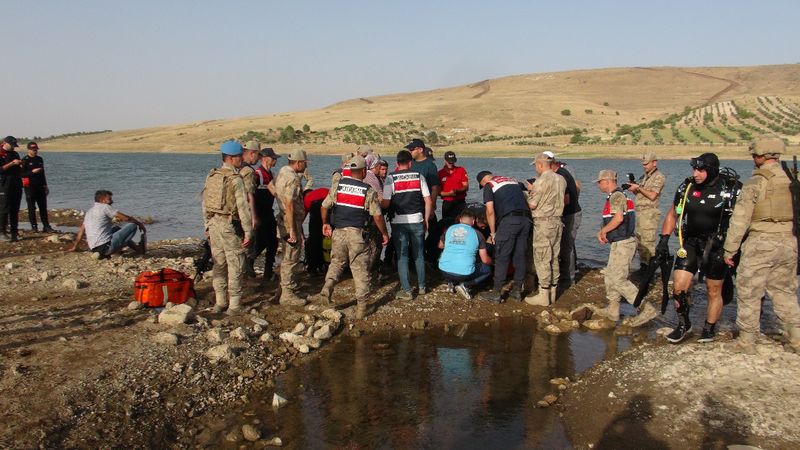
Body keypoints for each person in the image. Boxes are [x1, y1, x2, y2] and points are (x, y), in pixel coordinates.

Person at [723, 137, 800, 354]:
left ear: (759, 157)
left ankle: (747, 340)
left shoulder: (756, 182)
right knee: (784, 290)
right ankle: (795, 337)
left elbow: (740, 219)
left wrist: (730, 249)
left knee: (749, 290)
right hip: (789, 240)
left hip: (762, 240)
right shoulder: (792, 179)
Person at [657, 153, 741, 343]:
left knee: (713, 289)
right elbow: (673, 214)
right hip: (691, 242)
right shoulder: (687, 187)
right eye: (694, 169)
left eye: (701, 170)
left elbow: (742, 220)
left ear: (712, 170)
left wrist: (735, 250)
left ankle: (709, 328)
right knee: (678, 286)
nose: (696, 174)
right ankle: (684, 324)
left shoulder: (730, 188)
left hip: (718, 245)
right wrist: (663, 239)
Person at [310, 156, 389, 318]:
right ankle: (362, 308)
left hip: (338, 232)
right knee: (360, 270)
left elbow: (324, 206)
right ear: (363, 171)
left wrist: (325, 223)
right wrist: (384, 233)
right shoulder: (368, 191)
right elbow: (377, 216)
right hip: (357, 234)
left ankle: (327, 288)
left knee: (337, 263)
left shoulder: (338, 186)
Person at [595, 170, 658, 326]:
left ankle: (645, 308)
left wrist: (603, 230)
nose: (598, 185)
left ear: (607, 181)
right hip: (619, 242)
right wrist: (606, 233)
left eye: (599, 182)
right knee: (610, 275)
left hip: (624, 243)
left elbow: (618, 218)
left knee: (618, 279)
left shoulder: (617, 196)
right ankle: (613, 309)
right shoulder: (618, 195)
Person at [200, 140, 252, 313]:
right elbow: (243, 208)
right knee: (235, 263)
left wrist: (206, 224)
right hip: (229, 225)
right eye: (239, 156)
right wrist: (248, 231)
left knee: (219, 264)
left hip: (214, 223)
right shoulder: (235, 179)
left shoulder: (212, 175)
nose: (242, 159)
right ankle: (235, 305)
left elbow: (204, 202)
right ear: (230, 158)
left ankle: (220, 301)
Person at [381, 149, 432, 299]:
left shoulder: (391, 178)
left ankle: (407, 290)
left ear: (397, 163)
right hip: (417, 220)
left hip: (398, 222)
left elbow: (385, 203)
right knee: (419, 255)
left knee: (402, 256)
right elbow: (428, 201)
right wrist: (426, 219)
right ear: (411, 163)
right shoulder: (419, 176)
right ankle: (422, 287)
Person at [476, 170, 531, 303]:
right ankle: (517, 291)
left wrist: (493, 232)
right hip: (525, 221)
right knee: (520, 256)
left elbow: (490, 210)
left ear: (483, 181)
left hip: (509, 222)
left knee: (502, 256)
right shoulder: (512, 180)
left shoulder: (490, 185)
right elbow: (528, 190)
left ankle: (496, 292)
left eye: (482, 185)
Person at [523, 153, 566, 306]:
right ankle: (553, 291)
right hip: (558, 221)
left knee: (542, 257)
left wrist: (527, 195)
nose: (536, 168)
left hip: (543, 222)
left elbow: (533, 204)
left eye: (536, 166)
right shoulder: (561, 179)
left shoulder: (541, 181)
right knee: (554, 256)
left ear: (540, 165)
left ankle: (543, 294)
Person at [275, 148, 310, 306]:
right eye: (304, 163)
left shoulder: (283, 172)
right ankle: (287, 295)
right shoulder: (292, 179)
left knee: (286, 257)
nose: (305, 166)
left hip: (283, 218)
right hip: (290, 220)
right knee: (291, 258)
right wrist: (293, 230)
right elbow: (289, 205)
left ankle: (283, 289)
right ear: (298, 163)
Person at [69, 190, 146, 257]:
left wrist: (75, 246)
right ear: (102, 200)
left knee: (116, 229)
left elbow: (81, 230)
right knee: (132, 225)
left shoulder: (89, 212)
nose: (112, 201)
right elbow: (126, 218)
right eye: (109, 199)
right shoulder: (105, 207)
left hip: (94, 249)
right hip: (106, 248)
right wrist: (139, 224)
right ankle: (116, 251)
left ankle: (137, 249)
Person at [438, 208, 492, 300]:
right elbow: (485, 260)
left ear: (460, 219)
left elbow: (440, 246)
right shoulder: (478, 234)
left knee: (447, 256)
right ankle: (465, 285)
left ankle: (451, 282)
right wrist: (493, 261)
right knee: (487, 269)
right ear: (474, 221)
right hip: (464, 273)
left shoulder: (450, 229)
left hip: (444, 270)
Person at [545, 151, 582, 286]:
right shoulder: (561, 172)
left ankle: (568, 278)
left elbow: (565, 200)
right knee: (565, 245)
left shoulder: (561, 175)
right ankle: (567, 273)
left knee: (567, 245)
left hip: (570, 214)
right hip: (569, 212)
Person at [627, 152, 666, 271]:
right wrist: (633, 188)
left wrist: (638, 188)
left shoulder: (658, 176)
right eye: (643, 164)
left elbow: (653, 195)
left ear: (654, 163)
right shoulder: (645, 176)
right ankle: (643, 267)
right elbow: (640, 193)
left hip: (649, 213)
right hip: (640, 212)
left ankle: (649, 270)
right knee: (640, 241)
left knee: (648, 243)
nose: (644, 166)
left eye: (646, 164)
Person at [407, 139, 441, 262]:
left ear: (420, 150)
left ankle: (430, 258)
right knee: (412, 233)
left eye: (412, 149)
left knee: (434, 231)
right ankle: (412, 259)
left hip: (424, 204)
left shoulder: (429, 165)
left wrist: (431, 207)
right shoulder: (410, 163)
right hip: (411, 205)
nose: (410, 151)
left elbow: (434, 188)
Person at [251, 147, 280, 282]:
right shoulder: (257, 174)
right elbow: (250, 195)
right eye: (274, 159)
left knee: (273, 242)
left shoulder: (271, 174)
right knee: (260, 243)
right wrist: (253, 216)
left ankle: (268, 272)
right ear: (266, 159)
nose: (275, 161)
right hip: (260, 214)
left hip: (269, 212)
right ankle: (248, 268)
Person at [20, 142, 53, 233]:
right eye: (33, 150)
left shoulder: (39, 159)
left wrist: (45, 185)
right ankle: (34, 227)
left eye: (36, 150)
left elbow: (42, 173)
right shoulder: (24, 160)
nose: (35, 151)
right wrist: (32, 172)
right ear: (28, 150)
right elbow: (21, 174)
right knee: (31, 208)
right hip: (30, 187)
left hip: (40, 186)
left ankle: (46, 226)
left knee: (43, 207)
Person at [239, 141, 261, 277]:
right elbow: (249, 196)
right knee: (246, 249)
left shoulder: (235, 168)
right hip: (244, 214)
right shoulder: (247, 171)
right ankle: (245, 277)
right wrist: (254, 217)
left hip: (232, 215)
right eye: (258, 155)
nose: (258, 159)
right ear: (252, 153)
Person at [0, 136, 24, 241]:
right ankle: (2, 231)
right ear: (5, 143)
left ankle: (14, 231)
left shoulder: (15, 153)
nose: (13, 148)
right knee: (4, 209)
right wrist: (11, 163)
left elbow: (19, 169)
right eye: (12, 145)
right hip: (4, 184)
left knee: (15, 209)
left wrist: (20, 165)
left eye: (15, 146)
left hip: (16, 183)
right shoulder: (1, 154)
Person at [303, 186, 330, 275]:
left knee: (314, 239)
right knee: (328, 236)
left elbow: (301, 219)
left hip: (315, 206)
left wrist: (302, 236)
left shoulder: (306, 199)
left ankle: (312, 268)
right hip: (328, 204)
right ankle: (327, 265)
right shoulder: (322, 190)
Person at [438, 151, 469, 223]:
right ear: (445, 160)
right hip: (447, 203)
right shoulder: (440, 173)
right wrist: (449, 194)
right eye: (449, 162)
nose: (451, 164)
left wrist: (457, 191)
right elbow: (438, 192)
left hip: (460, 202)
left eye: (452, 162)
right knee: (446, 224)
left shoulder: (461, 170)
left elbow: (466, 187)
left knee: (462, 222)